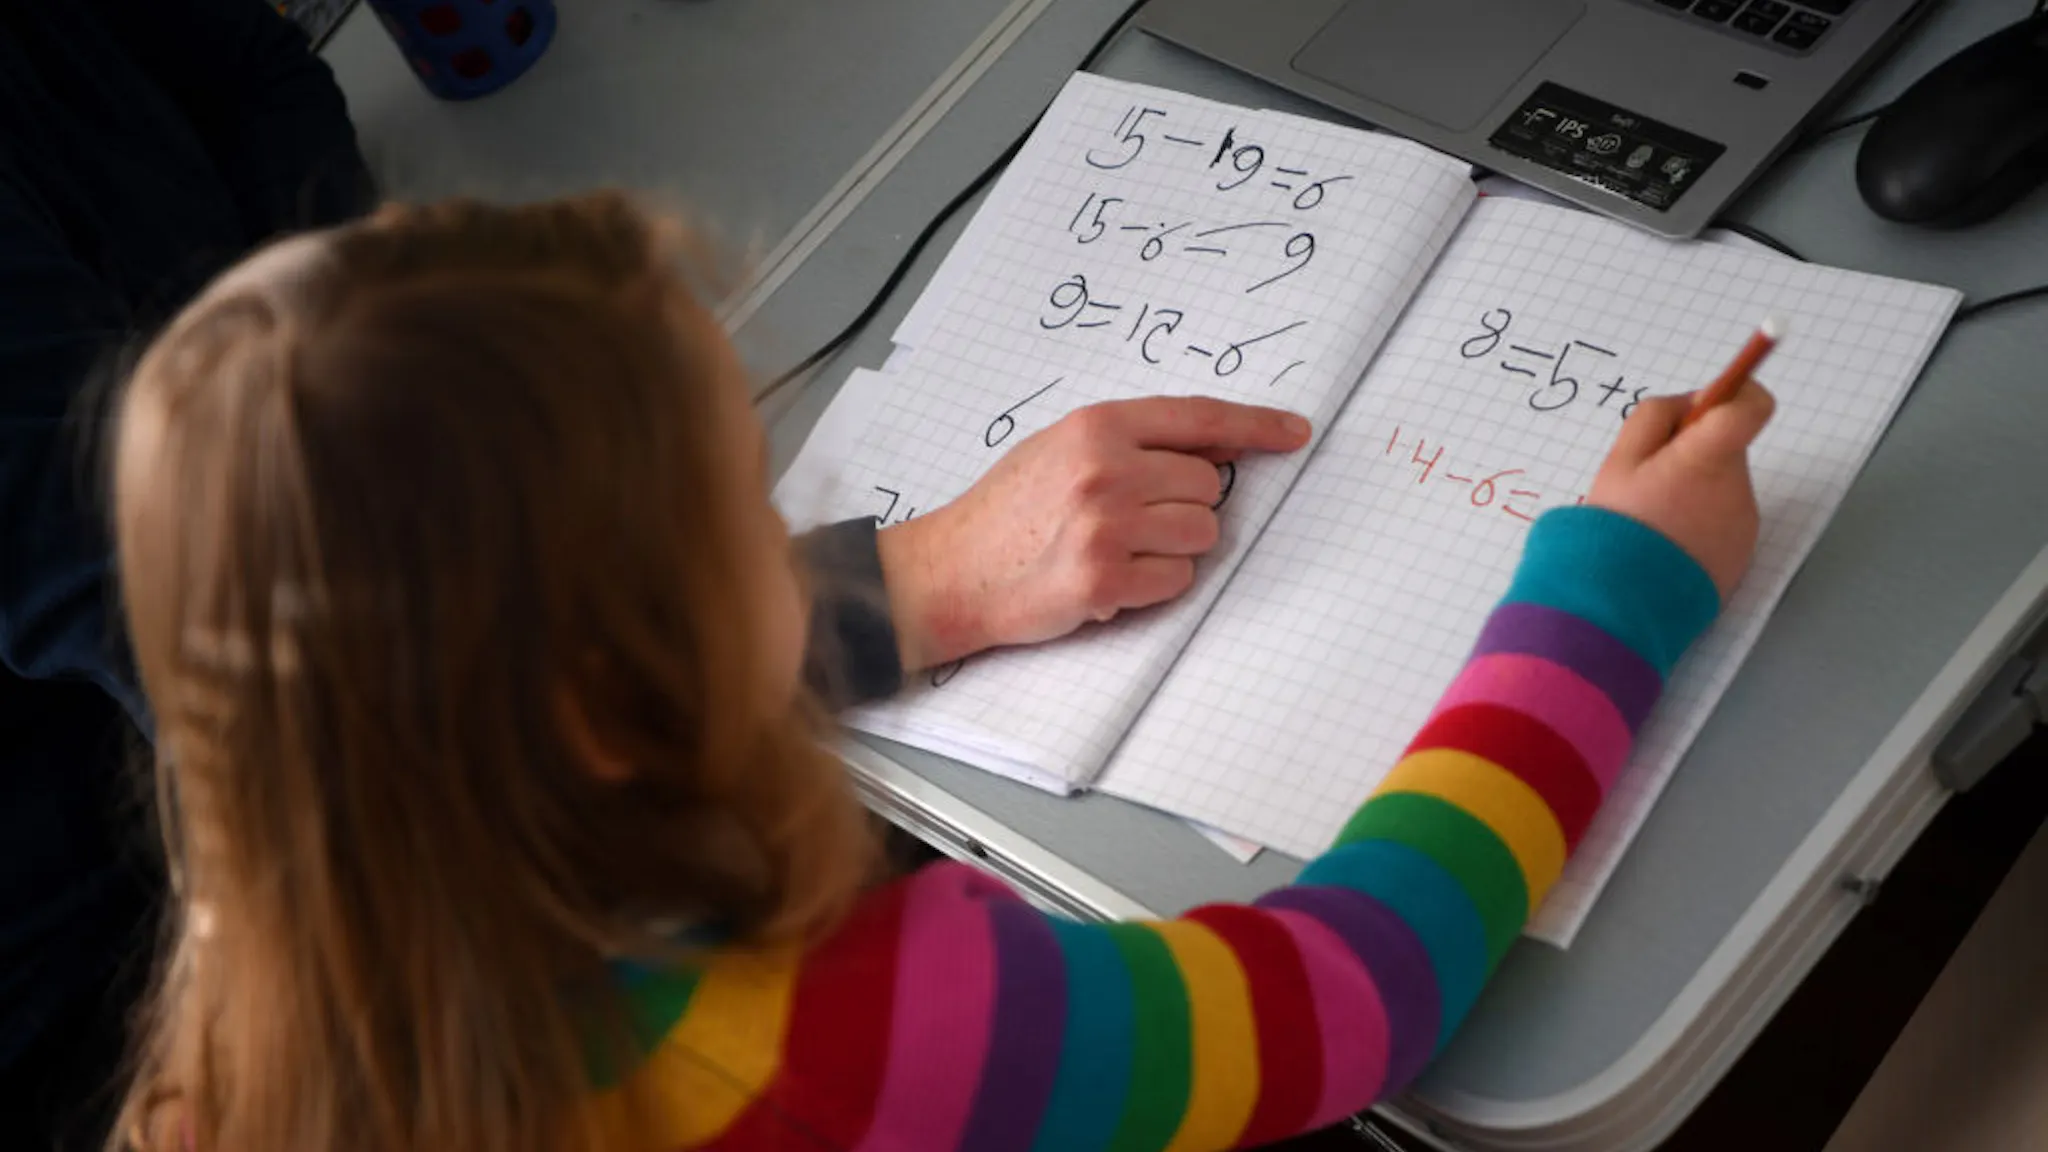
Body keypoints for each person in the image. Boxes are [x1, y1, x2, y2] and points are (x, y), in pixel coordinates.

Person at [103, 194, 1773, 1152]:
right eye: (743, 517)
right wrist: (1609, 594)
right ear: (612, 702)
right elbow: (1345, 1000)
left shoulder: (222, 1063)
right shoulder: (843, 1028)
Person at [0, 3, 373, 1148]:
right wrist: (880, 596)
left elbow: (256, 73)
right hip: (127, 992)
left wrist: (315, 366)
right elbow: (194, 631)